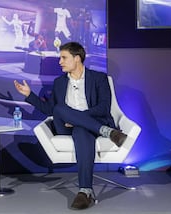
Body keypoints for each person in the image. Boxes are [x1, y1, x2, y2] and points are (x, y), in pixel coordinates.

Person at [14, 42, 127, 210]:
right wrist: (30, 95)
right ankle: (109, 132)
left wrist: (77, 119)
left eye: (64, 58)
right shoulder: (59, 82)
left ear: (77, 58)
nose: (60, 62)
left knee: (81, 130)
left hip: (88, 127)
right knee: (60, 108)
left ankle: (84, 191)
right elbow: (50, 110)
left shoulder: (99, 78)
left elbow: (103, 108)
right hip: (66, 126)